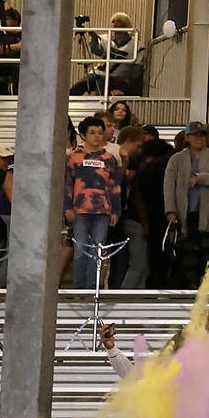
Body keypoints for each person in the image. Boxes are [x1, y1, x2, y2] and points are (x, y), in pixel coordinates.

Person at [163, 121, 209, 285]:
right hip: (187, 215)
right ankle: (192, 290)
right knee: (190, 256)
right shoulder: (177, 159)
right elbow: (168, 186)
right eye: (195, 135)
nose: (199, 139)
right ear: (187, 137)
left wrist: (201, 178)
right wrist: (170, 211)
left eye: (203, 135)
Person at [64, 115, 122, 289]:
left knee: (97, 250)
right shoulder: (74, 157)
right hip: (80, 208)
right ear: (83, 135)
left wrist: (115, 211)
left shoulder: (109, 159)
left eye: (100, 132)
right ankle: (79, 286)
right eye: (92, 133)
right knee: (80, 251)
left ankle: (93, 286)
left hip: (103, 210)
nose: (97, 136)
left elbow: (115, 186)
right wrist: (67, 207)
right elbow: (67, 184)